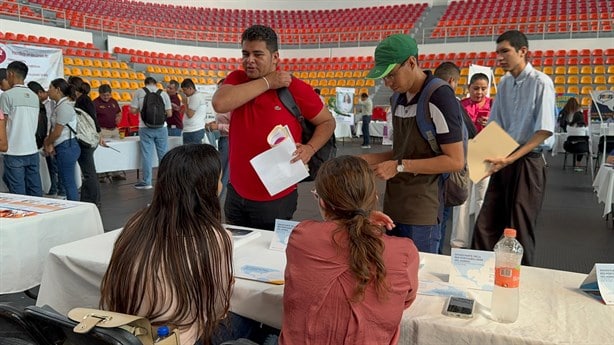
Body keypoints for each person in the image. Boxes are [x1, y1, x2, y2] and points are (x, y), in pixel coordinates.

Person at [100, 144, 233, 345]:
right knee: (257, 324)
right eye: (218, 180)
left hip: (127, 332)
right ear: (206, 187)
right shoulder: (215, 237)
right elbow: (217, 308)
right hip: (177, 338)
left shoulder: (136, 224)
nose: (221, 185)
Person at [280, 155, 419, 344]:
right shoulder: (404, 251)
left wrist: (359, 220)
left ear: (322, 202)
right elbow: (406, 301)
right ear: (375, 199)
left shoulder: (302, 236)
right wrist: (363, 221)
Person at [212, 24, 335, 231]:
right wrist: (268, 81)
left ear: (275, 57)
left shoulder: (294, 88)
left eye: (258, 54)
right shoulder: (237, 79)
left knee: (270, 258)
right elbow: (220, 103)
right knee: (236, 254)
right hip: (236, 191)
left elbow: (328, 121)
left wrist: (310, 149)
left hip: (277, 195)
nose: (249, 60)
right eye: (245, 53)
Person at [360, 34, 464, 253]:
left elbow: (455, 160)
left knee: (418, 273)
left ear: (411, 62)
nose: (387, 83)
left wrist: (400, 166)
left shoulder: (439, 96)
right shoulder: (397, 98)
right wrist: (364, 161)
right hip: (393, 205)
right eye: (384, 78)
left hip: (423, 209)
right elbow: (401, 151)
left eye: (392, 75)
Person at [472, 30, 555, 266]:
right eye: (497, 52)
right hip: (504, 159)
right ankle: (472, 277)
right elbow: (495, 126)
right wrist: (477, 159)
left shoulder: (541, 83)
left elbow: (543, 131)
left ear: (523, 52)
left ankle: (524, 286)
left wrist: (510, 158)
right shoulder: (506, 83)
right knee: (486, 222)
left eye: (505, 51)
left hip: (529, 162)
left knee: (519, 228)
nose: (499, 57)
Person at [450, 72, 493, 248]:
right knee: (462, 200)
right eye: (476, 88)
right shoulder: (460, 106)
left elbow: (504, 128)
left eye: (483, 88)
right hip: (464, 155)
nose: (480, 92)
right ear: (469, 88)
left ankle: (480, 241)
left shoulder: (494, 105)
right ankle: (458, 242)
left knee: (483, 199)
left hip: (486, 155)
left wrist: (490, 123)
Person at [0, 61, 42, 197]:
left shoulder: (6, 96)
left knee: (18, 195)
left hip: (14, 152)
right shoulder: (35, 97)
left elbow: (3, 123)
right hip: (32, 150)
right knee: (35, 192)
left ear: (11, 74)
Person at [130, 77, 172, 190]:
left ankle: (147, 181)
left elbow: (133, 111)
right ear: (156, 83)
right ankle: (165, 181)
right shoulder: (163, 94)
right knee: (163, 155)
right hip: (161, 128)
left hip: (145, 127)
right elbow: (169, 114)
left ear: (145, 83)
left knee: (146, 155)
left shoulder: (139, 92)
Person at [44, 78, 81, 201]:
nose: (48, 91)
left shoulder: (64, 107)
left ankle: (74, 207)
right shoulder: (60, 106)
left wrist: (48, 142)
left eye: (50, 88)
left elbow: (57, 132)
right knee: (67, 180)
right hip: (65, 145)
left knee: (68, 181)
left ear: (58, 90)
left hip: (67, 146)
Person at [27, 81, 64, 197]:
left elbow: (53, 124)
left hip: (51, 138)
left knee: (56, 166)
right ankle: (52, 188)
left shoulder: (53, 104)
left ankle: (61, 189)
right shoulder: (35, 105)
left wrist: (49, 141)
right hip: (43, 139)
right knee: (49, 167)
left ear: (39, 93)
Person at [69, 78, 102, 206]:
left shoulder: (82, 100)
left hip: (85, 139)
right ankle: (91, 198)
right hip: (88, 138)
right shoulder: (85, 99)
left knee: (88, 172)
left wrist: (98, 134)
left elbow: (93, 118)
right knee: (89, 171)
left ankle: (91, 199)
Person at [93, 84, 126, 182]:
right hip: (103, 130)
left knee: (115, 151)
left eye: (108, 95)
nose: (106, 97)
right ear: (100, 94)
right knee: (103, 152)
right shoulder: (95, 103)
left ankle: (116, 172)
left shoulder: (114, 101)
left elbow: (118, 112)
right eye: (104, 95)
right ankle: (102, 175)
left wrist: (119, 117)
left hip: (114, 130)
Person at [207, 78, 230, 197]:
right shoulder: (224, 105)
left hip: (228, 141)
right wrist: (213, 124)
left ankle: (218, 198)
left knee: (223, 174)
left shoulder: (232, 106)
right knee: (222, 172)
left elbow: (235, 128)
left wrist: (218, 126)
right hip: (223, 140)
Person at [180, 78, 207, 145]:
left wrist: (185, 103)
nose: (184, 92)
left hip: (194, 131)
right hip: (192, 130)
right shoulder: (194, 97)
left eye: (185, 90)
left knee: (192, 154)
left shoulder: (196, 97)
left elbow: (190, 114)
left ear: (190, 88)